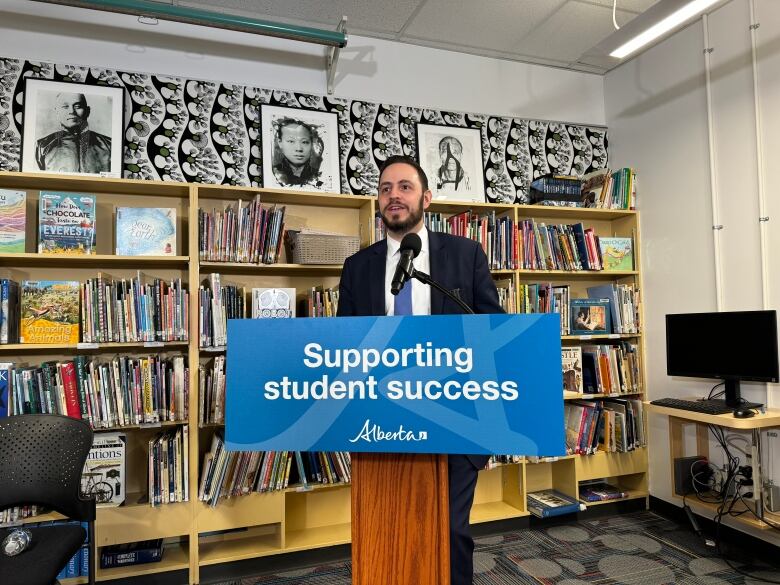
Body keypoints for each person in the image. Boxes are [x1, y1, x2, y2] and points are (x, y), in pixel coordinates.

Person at [337, 154, 504, 585]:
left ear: (426, 198)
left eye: (405, 187)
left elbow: (492, 328)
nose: (394, 195)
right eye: (386, 188)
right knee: (385, 529)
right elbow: (344, 348)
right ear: (378, 201)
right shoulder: (358, 267)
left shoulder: (466, 254)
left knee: (450, 530)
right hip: (382, 421)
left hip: (456, 415)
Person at [35, 92, 112, 174]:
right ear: (56, 112)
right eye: (65, 107)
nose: (71, 111)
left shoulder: (109, 144)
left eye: (78, 106)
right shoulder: (42, 146)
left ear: (87, 111)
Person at [272, 118, 324, 187]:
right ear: (280, 143)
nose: (299, 148)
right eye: (291, 141)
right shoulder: (273, 174)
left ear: (311, 144)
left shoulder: (318, 175)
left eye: (304, 142)